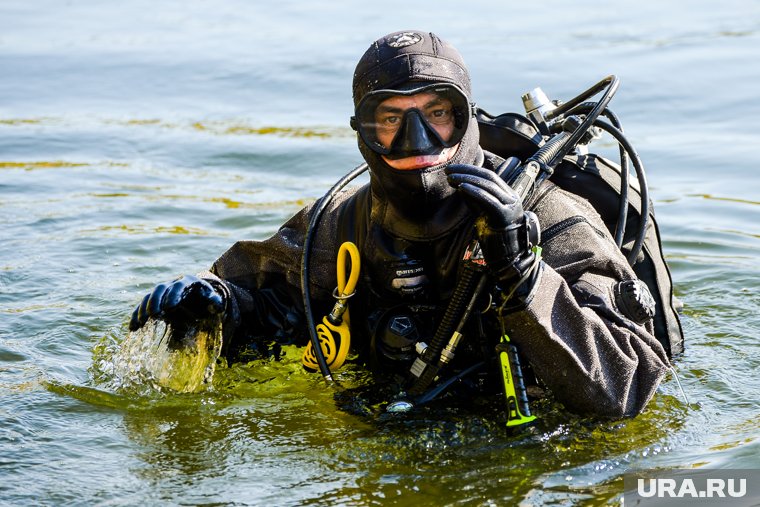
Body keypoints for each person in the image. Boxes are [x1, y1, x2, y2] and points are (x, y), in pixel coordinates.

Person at [129, 30, 682, 418]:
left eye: (437, 114)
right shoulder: (343, 223)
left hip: (530, 449)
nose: (418, 142)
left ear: (465, 117)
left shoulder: (550, 218)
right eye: (392, 118)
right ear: (363, 129)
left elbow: (629, 387)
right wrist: (216, 305)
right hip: (387, 430)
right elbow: (272, 303)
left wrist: (525, 277)